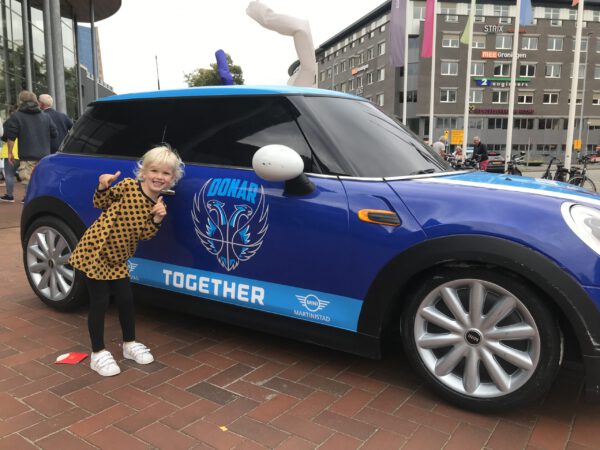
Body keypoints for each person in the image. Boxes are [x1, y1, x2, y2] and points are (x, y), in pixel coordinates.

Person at [68, 145, 184, 376]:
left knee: (126, 299)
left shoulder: (156, 204)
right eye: (154, 171)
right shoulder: (129, 186)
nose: (159, 177)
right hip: (97, 251)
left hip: (118, 257)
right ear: (144, 171)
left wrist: (157, 220)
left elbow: (145, 235)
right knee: (100, 302)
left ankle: (129, 344)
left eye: (165, 173)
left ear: (172, 178)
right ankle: (98, 353)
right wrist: (103, 185)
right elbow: (101, 203)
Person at [4, 91, 57, 193]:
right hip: (44, 156)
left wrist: (10, 152)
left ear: (21, 101)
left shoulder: (17, 116)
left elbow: (11, 137)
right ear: (35, 101)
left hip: (27, 156)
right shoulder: (45, 116)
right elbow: (55, 134)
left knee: (29, 185)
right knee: (42, 183)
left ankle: (33, 206)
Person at [0, 105, 20, 202]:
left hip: (10, 151)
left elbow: (3, 136)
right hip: (25, 151)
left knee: (9, 175)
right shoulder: (27, 120)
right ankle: (26, 197)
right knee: (27, 175)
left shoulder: (9, 122)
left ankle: (9, 195)